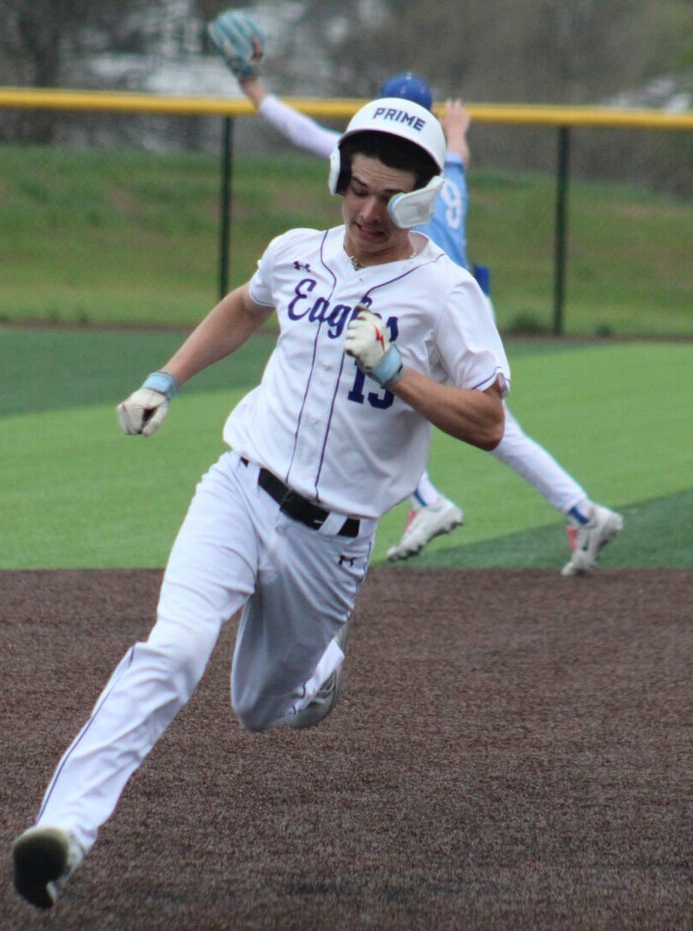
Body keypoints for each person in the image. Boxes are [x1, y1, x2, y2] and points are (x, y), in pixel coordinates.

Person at [11, 96, 510, 909]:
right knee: (172, 653)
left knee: (257, 709)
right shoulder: (297, 253)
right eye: (356, 187)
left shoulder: (445, 295)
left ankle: (321, 669)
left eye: (389, 197)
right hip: (240, 489)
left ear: (421, 200)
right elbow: (246, 308)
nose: (367, 209)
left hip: (334, 541)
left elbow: (488, 422)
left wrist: (397, 374)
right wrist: (163, 379)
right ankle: (63, 836)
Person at [209, 11, 623, 576]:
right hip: (461, 299)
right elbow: (459, 157)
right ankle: (577, 509)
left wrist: (254, 89)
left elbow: (302, 132)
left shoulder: (378, 164)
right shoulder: (445, 165)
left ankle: (433, 503)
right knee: (432, 409)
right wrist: (456, 135)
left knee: (373, 393)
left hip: (419, 296)